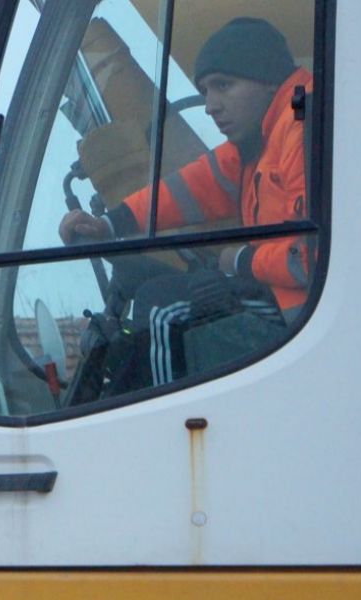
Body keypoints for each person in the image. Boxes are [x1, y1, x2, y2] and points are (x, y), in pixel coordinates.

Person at [58, 17, 315, 394]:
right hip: (286, 311)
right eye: (205, 91)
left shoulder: (305, 131)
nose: (210, 106)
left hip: (300, 325)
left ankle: (161, 423)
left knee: (163, 313)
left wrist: (238, 261)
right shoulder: (261, 140)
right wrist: (112, 224)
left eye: (223, 86)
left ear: (267, 79)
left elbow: (309, 258)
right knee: (162, 297)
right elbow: (189, 189)